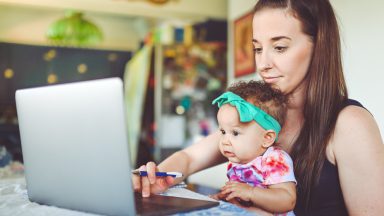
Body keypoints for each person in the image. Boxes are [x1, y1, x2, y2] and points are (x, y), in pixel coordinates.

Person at [133, 0, 384, 215]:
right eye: (257, 48)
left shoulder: (350, 123)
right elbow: (188, 159)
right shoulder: (256, 116)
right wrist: (156, 177)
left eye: (279, 47)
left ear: (319, 47)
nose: (263, 64)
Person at [210, 81, 296, 214]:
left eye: (235, 133)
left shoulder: (274, 159)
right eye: (223, 132)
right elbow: (241, 196)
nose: (225, 141)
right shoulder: (238, 160)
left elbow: (287, 200)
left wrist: (250, 192)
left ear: (267, 138)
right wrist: (224, 198)